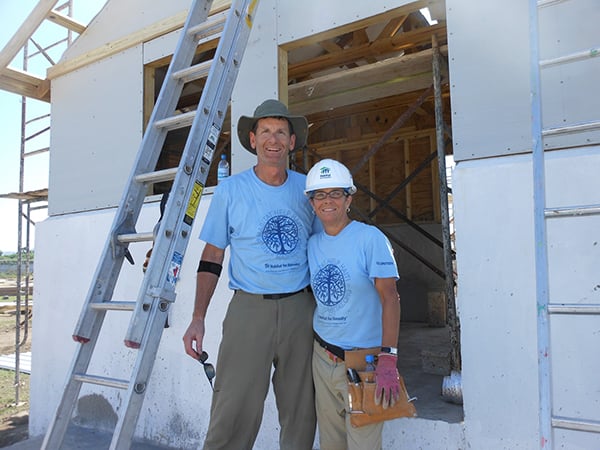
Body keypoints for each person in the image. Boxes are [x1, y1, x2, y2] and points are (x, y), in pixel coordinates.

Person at [182, 99, 318, 450]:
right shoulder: (230, 191)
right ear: (253, 140)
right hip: (248, 311)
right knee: (233, 411)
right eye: (266, 132)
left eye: (281, 132)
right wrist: (198, 318)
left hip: (301, 311)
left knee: (302, 412)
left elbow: (325, 250)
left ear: (291, 142)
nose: (273, 139)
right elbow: (212, 257)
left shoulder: (308, 191)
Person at [304, 158, 402, 450]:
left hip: (364, 362)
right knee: (331, 443)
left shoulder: (370, 239)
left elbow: (390, 297)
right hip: (323, 357)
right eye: (319, 195)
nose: (327, 201)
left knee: (364, 445)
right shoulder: (312, 244)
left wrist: (389, 357)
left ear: (349, 198)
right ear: (311, 204)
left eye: (336, 193)